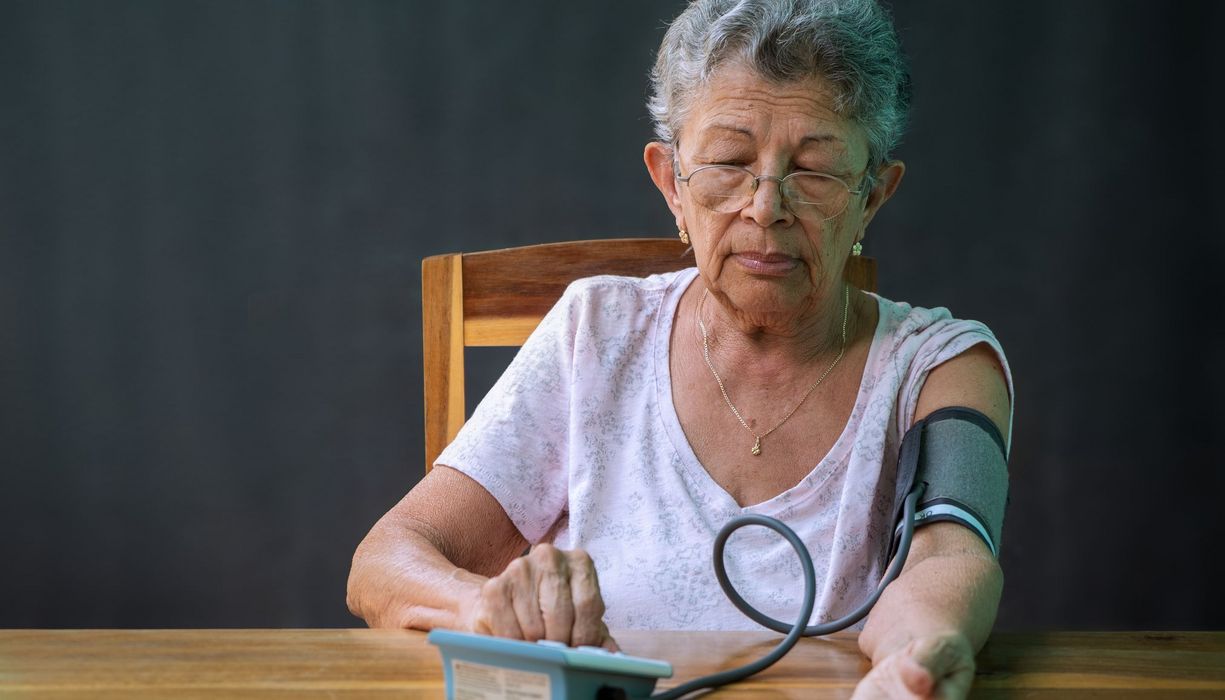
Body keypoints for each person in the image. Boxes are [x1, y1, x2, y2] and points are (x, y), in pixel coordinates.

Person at [347, 1, 1013, 697]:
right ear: (671, 182)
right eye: (728, 162)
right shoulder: (595, 332)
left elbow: (947, 558)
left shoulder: (943, 366)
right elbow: (387, 560)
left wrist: (918, 653)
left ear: (871, 196)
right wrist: (486, 608)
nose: (765, 208)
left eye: (814, 170)